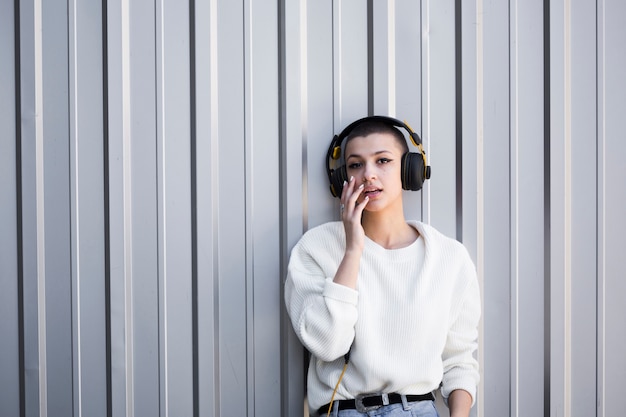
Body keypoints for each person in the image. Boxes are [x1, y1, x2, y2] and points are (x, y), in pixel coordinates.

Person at [284, 116, 480, 417]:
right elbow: (328, 345)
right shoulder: (316, 248)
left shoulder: (449, 258)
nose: (368, 175)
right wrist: (353, 249)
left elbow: (459, 361)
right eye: (355, 165)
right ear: (341, 179)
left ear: (409, 171)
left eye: (383, 161)